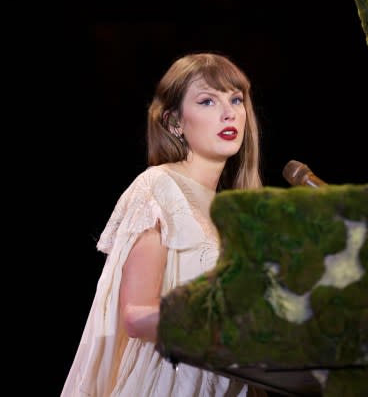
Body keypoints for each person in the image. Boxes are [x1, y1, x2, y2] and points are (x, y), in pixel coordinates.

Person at [62, 52, 266, 396]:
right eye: (207, 101)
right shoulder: (159, 187)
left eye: (236, 99)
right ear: (174, 123)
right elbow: (136, 316)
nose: (229, 112)